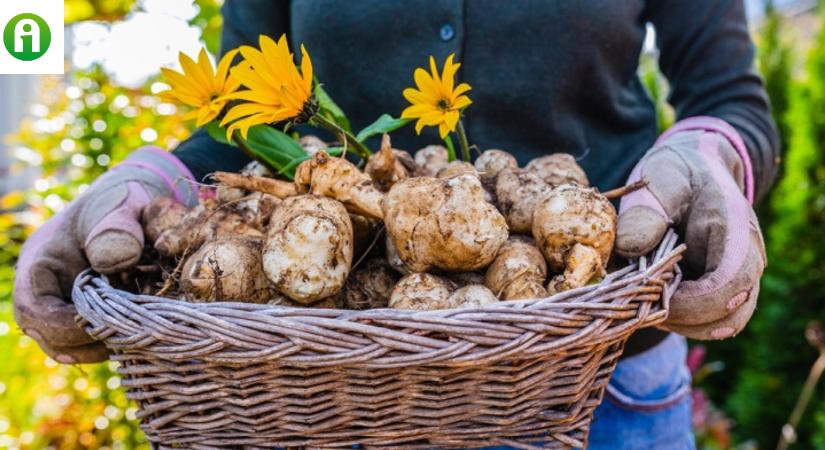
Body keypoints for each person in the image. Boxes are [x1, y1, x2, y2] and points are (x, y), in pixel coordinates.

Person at [13, 1, 777, 448]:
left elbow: (728, 96)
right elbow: (238, 122)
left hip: (602, 372)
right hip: (324, 389)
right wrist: (155, 179)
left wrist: (707, 157)